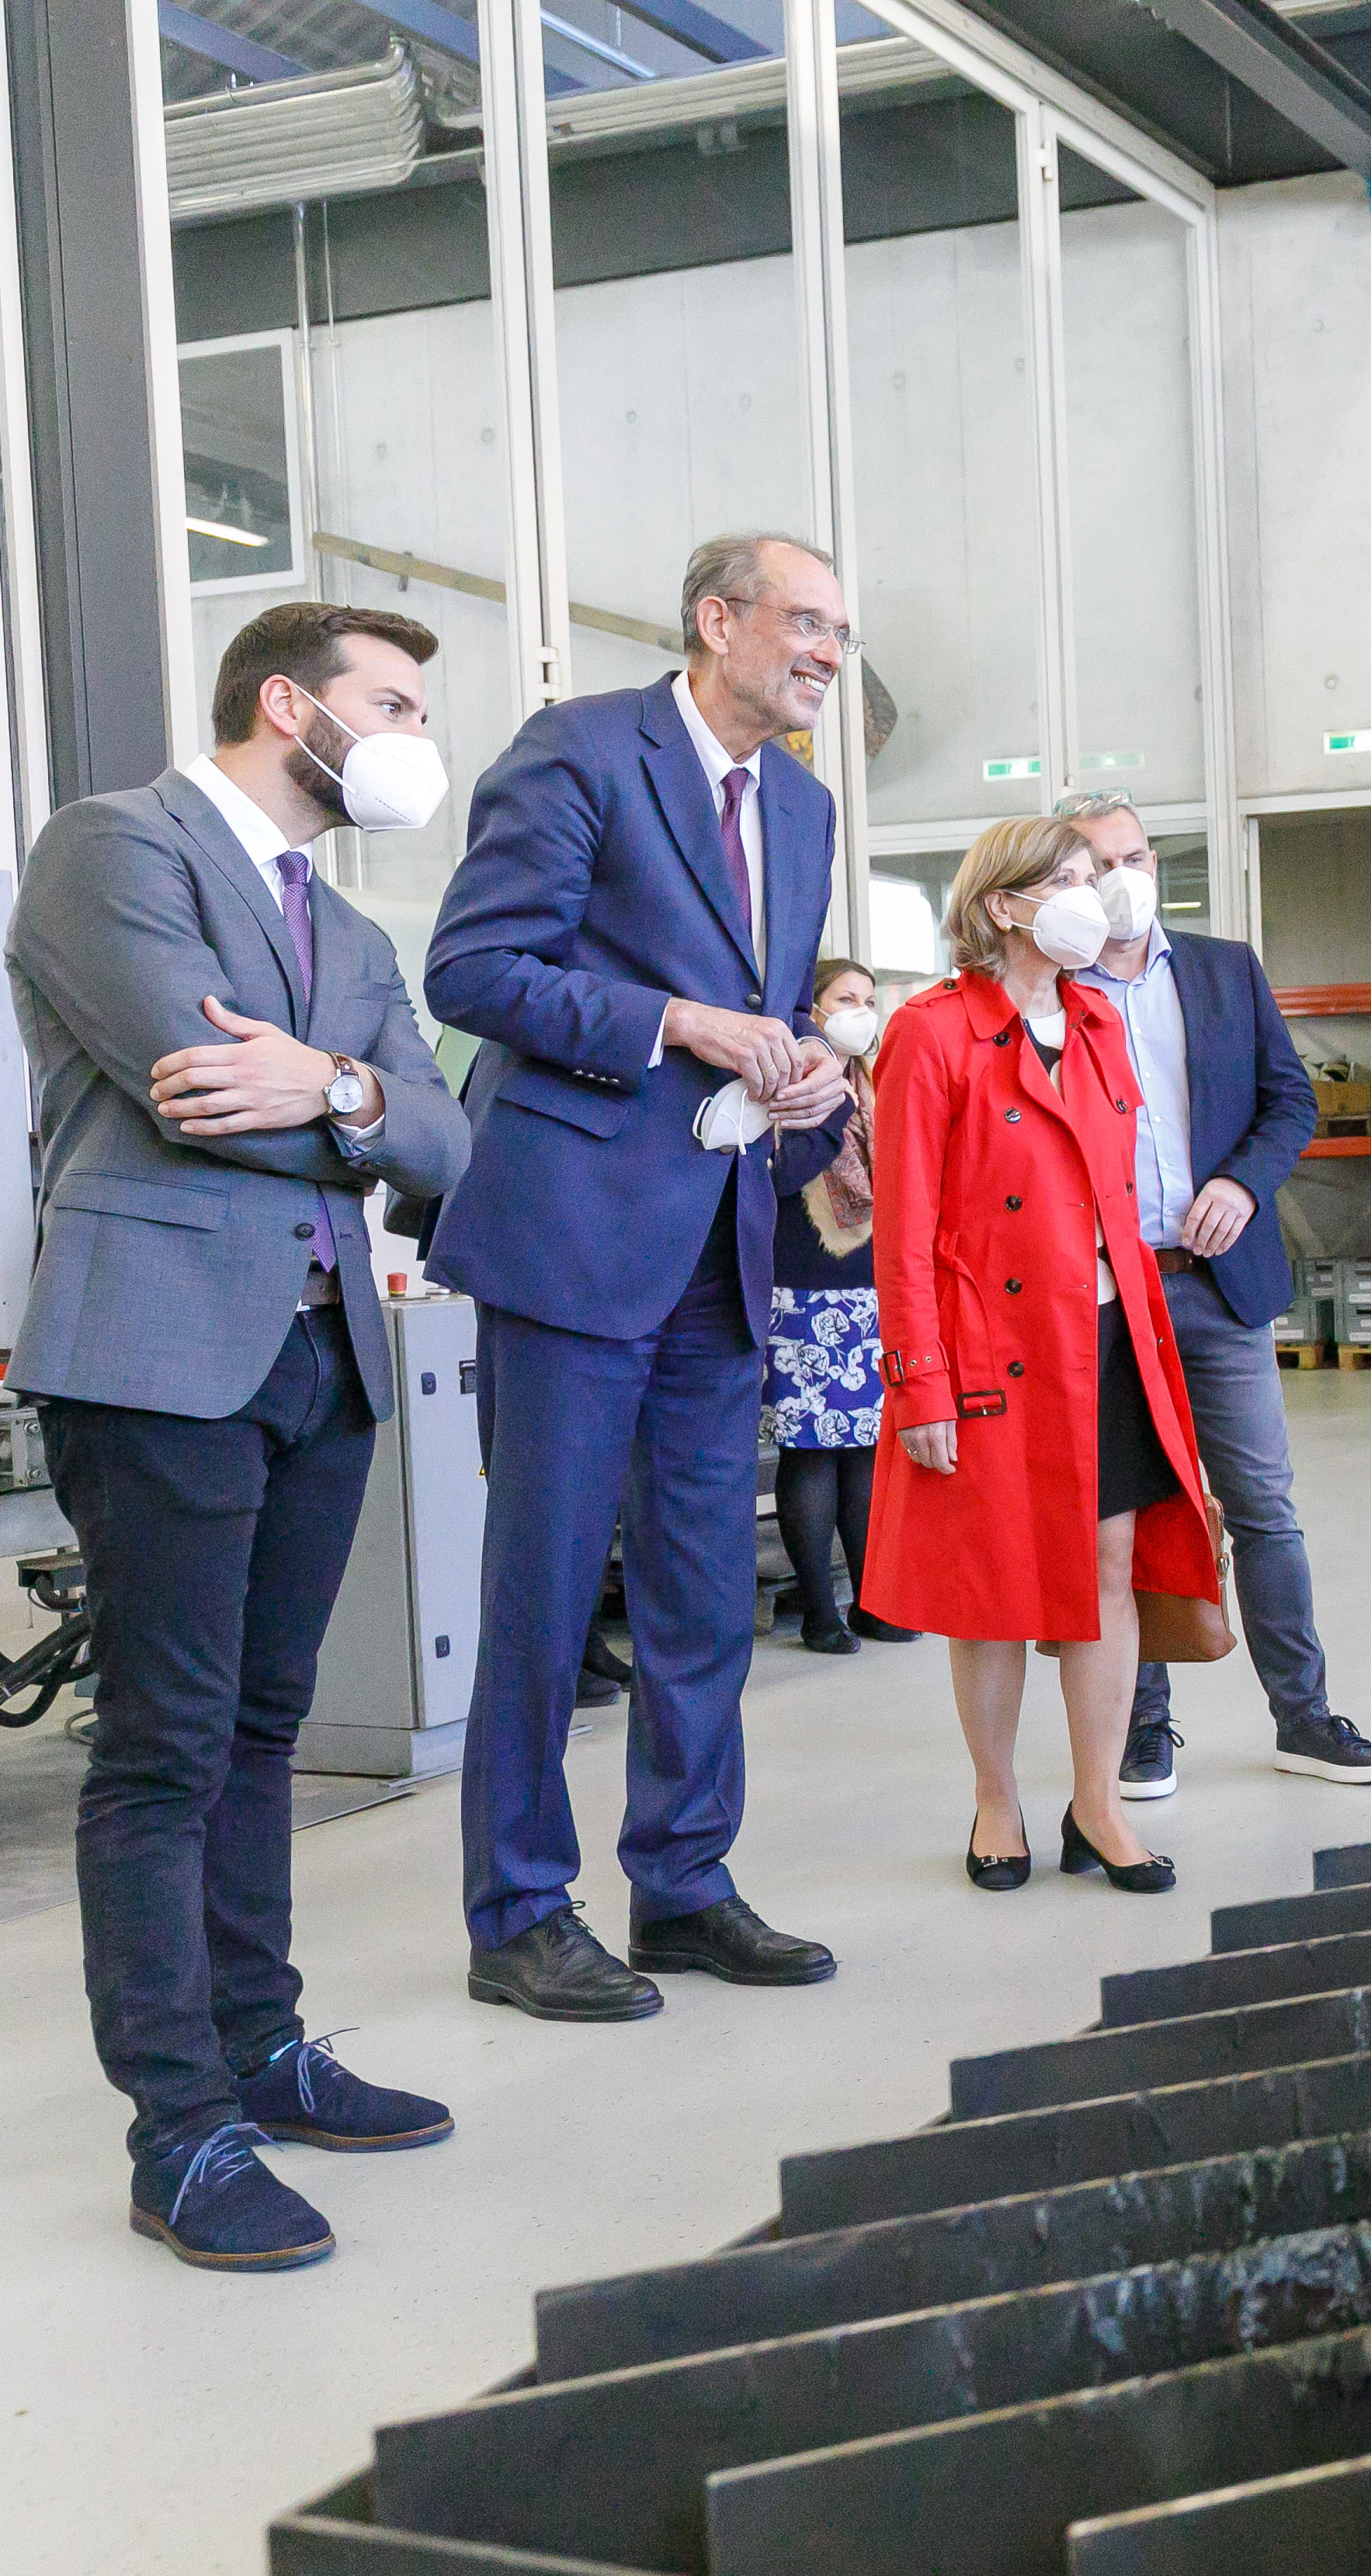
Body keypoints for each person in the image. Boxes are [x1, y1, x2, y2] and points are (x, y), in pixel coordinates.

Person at [6, 600, 476, 2270]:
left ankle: (260, 2046)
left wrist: (337, 1090)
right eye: (395, 704)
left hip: (321, 1360)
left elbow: (448, 1143)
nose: (417, 737)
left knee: (264, 1731)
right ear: (289, 704)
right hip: (158, 1353)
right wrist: (354, 1107)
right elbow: (192, 1087)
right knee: (165, 1745)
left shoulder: (344, 928)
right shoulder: (110, 849)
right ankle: (180, 2131)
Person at [421, 534, 856, 2022]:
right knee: (546, 1591)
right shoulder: (582, 752)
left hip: (724, 1240)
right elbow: (476, 970)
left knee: (703, 1593)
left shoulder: (802, 806)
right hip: (574, 1231)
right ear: (716, 620)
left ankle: (681, 1883)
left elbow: (773, 1006)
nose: (827, 653)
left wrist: (807, 1074)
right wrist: (676, 1020)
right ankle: (518, 1913)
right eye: (806, 622)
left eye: (841, 632)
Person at [859, 815, 1222, 1892]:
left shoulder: (1098, 1023)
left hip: (1105, 1337)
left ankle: (1099, 1804)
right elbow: (903, 1229)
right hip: (992, 1349)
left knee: (1110, 1564)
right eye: (1067, 878)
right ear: (1003, 905)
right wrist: (918, 1379)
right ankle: (996, 1800)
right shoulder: (930, 1033)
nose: (1093, 894)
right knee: (994, 1584)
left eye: (1095, 874)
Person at [1057, 792, 1371, 1794]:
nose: (1120, 879)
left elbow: (1290, 1101)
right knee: (1129, 1519)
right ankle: (1142, 1728)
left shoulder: (1223, 969)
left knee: (1264, 1509)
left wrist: (1243, 1185)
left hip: (1217, 1289)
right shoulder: (1050, 993)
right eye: (1095, 865)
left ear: (1154, 864)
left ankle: (1305, 1717)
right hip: (1110, 1297)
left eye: (1132, 858)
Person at [764, 955, 911, 1654]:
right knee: (812, 1452)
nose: (862, 1012)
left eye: (869, 1000)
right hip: (802, 1286)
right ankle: (820, 1612)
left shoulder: (877, 1084)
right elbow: (781, 1175)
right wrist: (836, 1109)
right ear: (813, 1013)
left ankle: (873, 1602)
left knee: (867, 1453)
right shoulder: (790, 1084)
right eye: (846, 999)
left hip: (872, 1287)